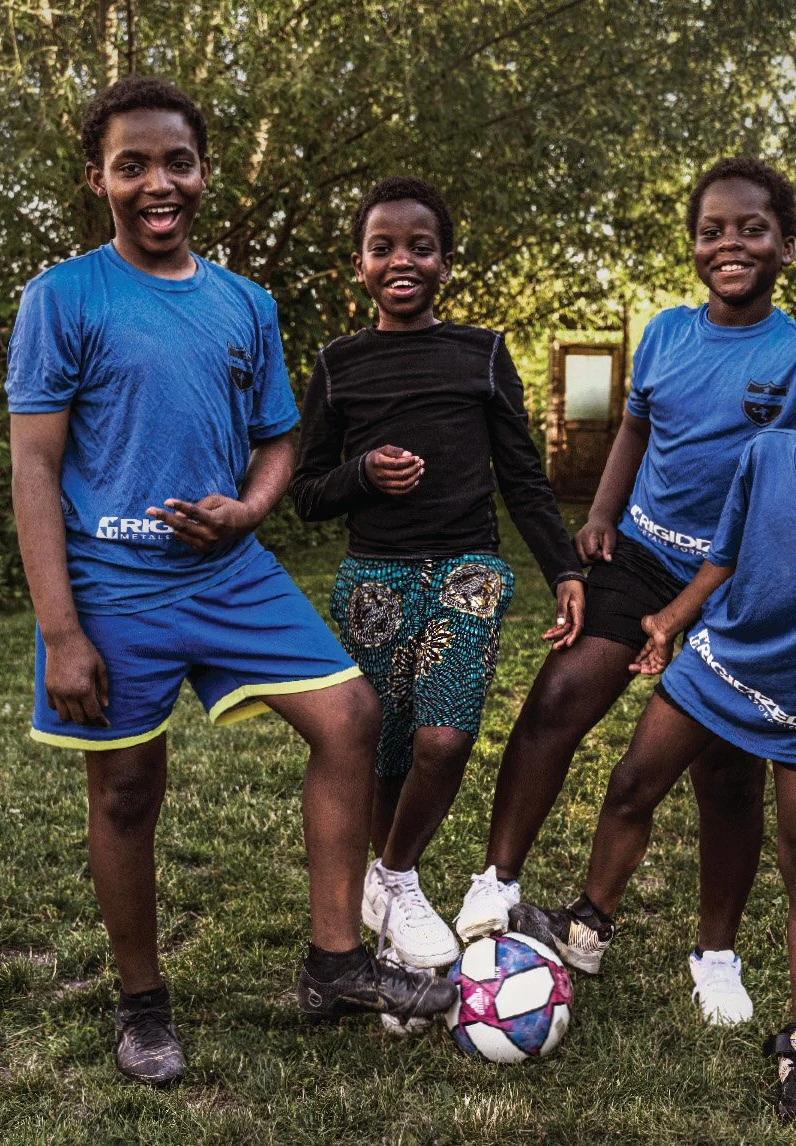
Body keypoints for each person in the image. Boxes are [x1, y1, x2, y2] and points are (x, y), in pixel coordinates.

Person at [5, 79, 454, 1087]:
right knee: (127, 790)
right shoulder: (64, 298)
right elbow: (34, 467)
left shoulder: (244, 304)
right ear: (99, 179)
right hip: (112, 583)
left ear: (203, 172)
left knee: (349, 720)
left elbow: (278, 439)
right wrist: (61, 631)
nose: (157, 183)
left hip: (231, 570)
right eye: (133, 165)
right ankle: (143, 1002)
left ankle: (336, 962)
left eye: (176, 163)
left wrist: (250, 511)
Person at [454, 157, 796, 1028]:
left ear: (784, 244)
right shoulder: (666, 332)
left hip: (739, 582)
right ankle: (495, 883)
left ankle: (715, 956)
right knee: (557, 697)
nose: (730, 243)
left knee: (727, 778)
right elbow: (636, 426)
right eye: (713, 230)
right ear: (694, 245)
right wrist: (600, 513)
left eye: (751, 229)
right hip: (640, 556)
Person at [510, 315, 796, 1126]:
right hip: (711, 671)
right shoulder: (764, 458)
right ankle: (588, 928)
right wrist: (669, 619)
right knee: (629, 789)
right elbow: (721, 557)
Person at [290, 177, 586, 974]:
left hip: (468, 569)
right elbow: (306, 492)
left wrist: (564, 567)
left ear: (446, 264)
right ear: (359, 266)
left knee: (445, 737)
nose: (401, 260)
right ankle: (390, 916)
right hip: (374, 581)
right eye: (382, 247)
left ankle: (394, 873)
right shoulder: (339, 364)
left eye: (420, 247)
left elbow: (523, 475)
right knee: (386, 751)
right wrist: (362, 473)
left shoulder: (480, 353)